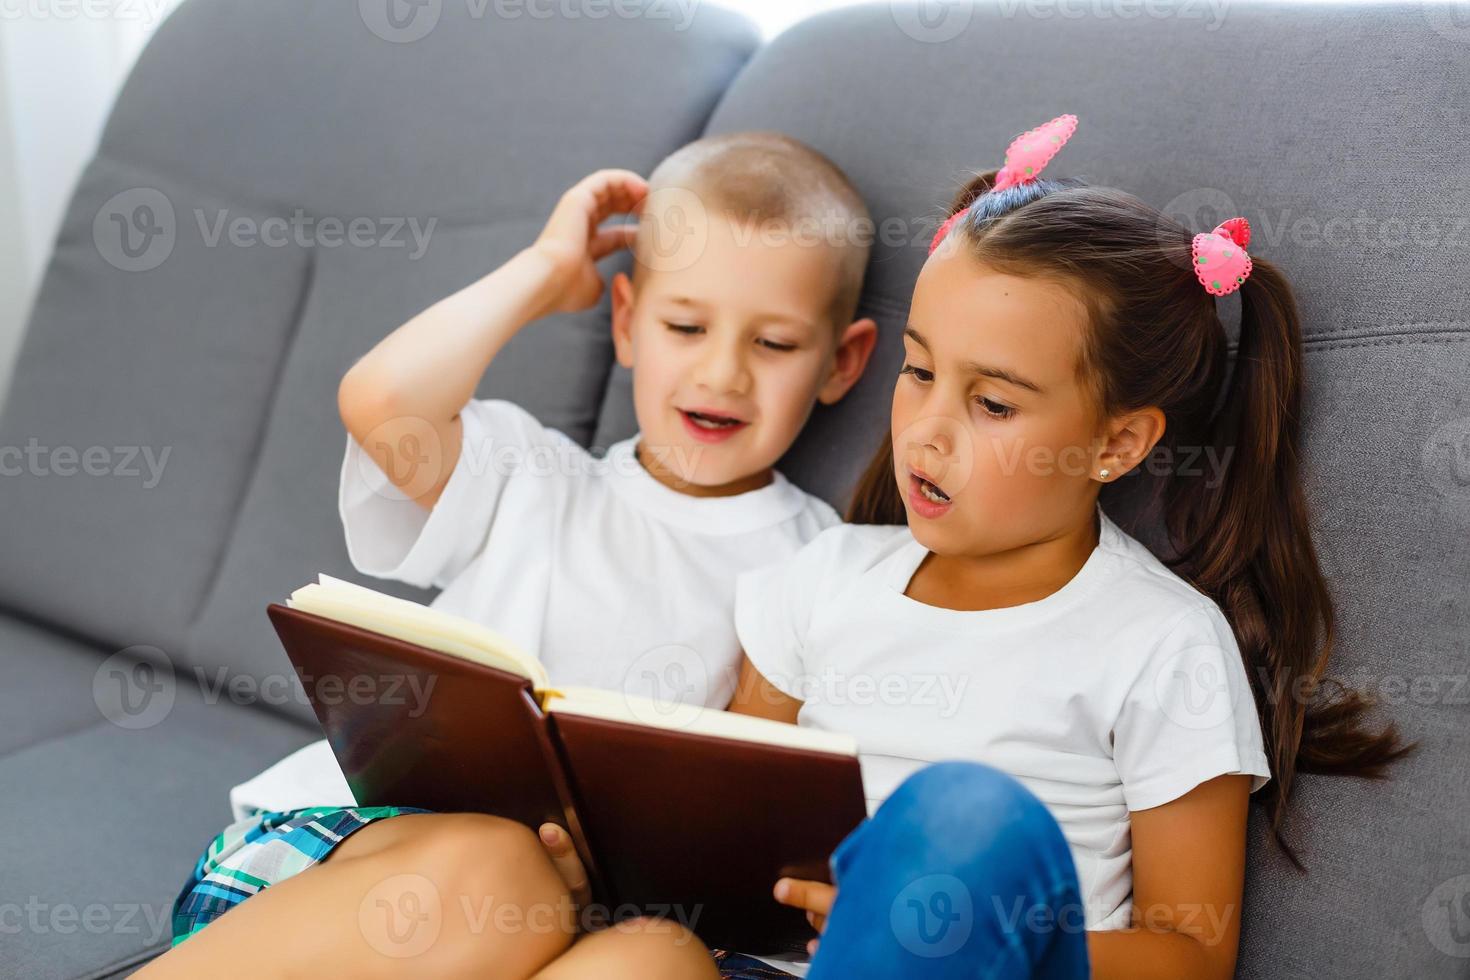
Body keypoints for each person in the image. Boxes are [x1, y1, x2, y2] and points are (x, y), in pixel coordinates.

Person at [140, 131, 878, 979]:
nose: (723, 373)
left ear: (843, 360)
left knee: (657, 959)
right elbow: (383, 401)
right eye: (685, 325)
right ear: (629, 321)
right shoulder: (531, 476)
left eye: (774, 345)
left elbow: (778, 816)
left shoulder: (825, 563)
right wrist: (544, 272)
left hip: (614, 931)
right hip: (376, 876)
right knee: (503, 872)